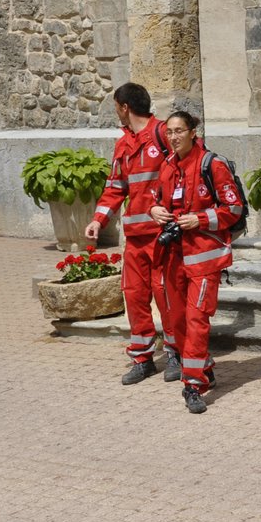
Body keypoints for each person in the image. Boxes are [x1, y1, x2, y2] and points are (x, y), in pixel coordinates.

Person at [149, 111, 244, 414]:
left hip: (204, 258)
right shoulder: (167, 166)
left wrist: (200, 219)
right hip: (174, 256)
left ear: (193, 132)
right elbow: (157, 197)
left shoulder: (211, 164)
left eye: (179, 131)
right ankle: (204, 366)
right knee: (176, 320)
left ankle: (193, 385)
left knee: (196, 319)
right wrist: (155, 211)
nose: (174, 137)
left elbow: (233, 208)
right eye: (169, 132)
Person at [84, 83, 175, 384]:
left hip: (162, 236)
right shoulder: (122, 144)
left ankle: (175, 353)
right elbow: (115, 188)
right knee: (134, 297)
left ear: (124, 107)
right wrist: (99, 220)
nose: (117, 114)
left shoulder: (164, 134)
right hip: (135, 238)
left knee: (167, 296)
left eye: (116, 108)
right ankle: (143, 358)